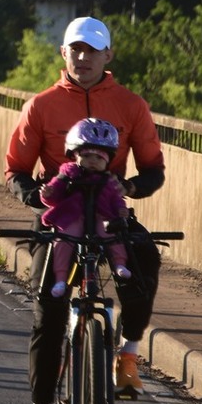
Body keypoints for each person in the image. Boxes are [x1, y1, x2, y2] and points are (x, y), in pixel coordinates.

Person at [4, 15, 166, 404]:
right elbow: (15, 169)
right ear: (64, 53)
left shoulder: (132, 106)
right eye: (75, 49)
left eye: (93, 50)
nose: (83, 57)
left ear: (108, 56)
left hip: (111, 214)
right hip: (60, 219)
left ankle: (128, 355)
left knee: (146, 262)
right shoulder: (41, 106)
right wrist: (34, 196)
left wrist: (130, 189)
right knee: (47, 312)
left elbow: (153, 169)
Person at [39, 120, 132, 298]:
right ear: (75, 155)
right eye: (87, 156)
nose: (92, 161)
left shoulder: (109, 180)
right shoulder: (67, 173)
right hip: (72, 217)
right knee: (64, 240)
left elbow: (117, 200)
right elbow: (52, 197)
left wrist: (121, 210)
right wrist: (48, 193)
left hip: (100, 216)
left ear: (108, 161)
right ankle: (60, 279)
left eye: (99, 158)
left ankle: (120, 264)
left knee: (112, 233)